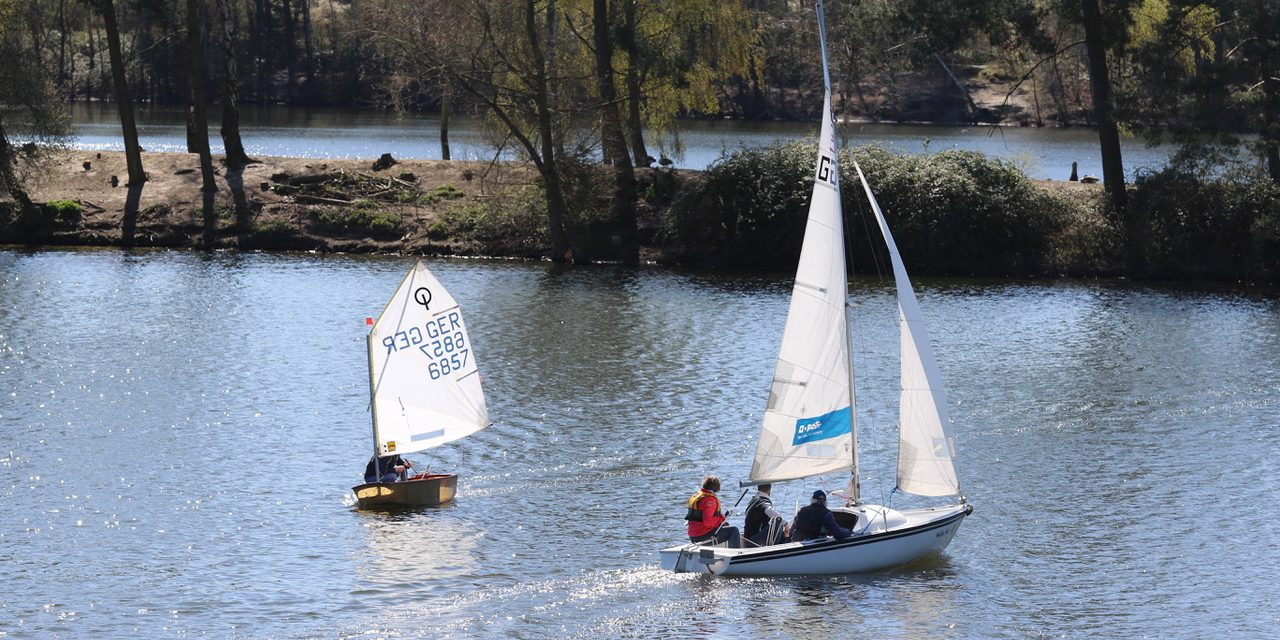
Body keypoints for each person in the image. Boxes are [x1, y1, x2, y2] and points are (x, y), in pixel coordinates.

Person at [685, 475, 741, 548]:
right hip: (702, 536)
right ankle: (735, 553)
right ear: (717, 487)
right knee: (734, 530)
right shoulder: (710, 500)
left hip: (693, 536)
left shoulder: (697, 496)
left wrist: (723, 517)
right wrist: (721, 520)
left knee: (725, 525)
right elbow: (708, 521)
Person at [789, 490, 853, 542]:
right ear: (825, 502)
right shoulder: (827, 514)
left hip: (796, 542)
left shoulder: (801, 511)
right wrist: (850, 531)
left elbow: (791, 531)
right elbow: (838, 534)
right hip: (814, 545)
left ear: (812, 500)